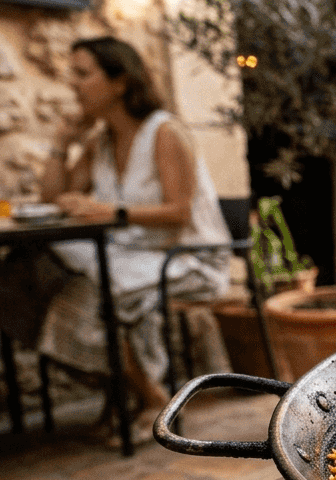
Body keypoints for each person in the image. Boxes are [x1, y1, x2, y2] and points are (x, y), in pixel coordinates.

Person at [13, 36, 231, 443]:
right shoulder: (101, 142)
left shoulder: (165, 132)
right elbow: (53, 198)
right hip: (131, 255)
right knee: (33, 271)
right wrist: (62, 143)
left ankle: (147, 397)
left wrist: (111, 213)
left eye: (82, 74)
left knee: (88, 291)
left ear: (120, 82)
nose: (72, 84)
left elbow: (180, 213)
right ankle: (128, 390)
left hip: (188, 257)